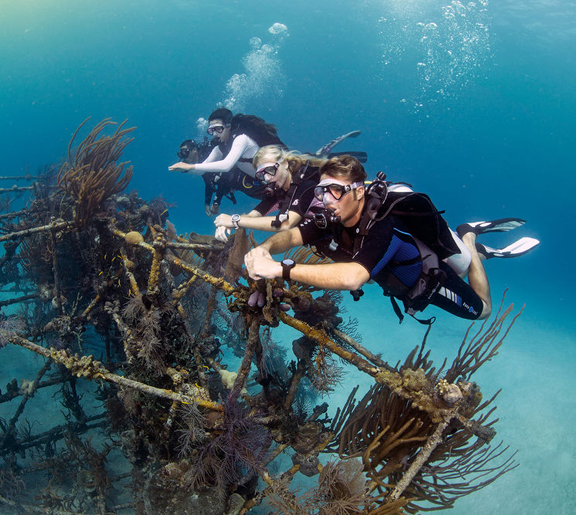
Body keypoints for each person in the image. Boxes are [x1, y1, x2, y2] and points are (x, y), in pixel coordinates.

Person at [244, 155, 539, 322]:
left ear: (359, 191)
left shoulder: (384, 225)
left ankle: (469, 237)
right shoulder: (334, 217)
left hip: (430, 278)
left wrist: (279, 269)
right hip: (400, 281)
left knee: (483, 311)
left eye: (335, 190)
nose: (326, 200)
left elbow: (353, 278)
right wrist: (265, 248)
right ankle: (475, 248)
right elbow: (293, 235)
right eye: (321, 192)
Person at [169, 108, 285, 214]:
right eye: (211, 130)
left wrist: (190, 167)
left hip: (284, 178)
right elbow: (201, 170)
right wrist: (184, 169)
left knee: (287, 214)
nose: (215, 134)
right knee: (271, 213)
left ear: (229, 126)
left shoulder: (241, 139)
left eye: (218, 129)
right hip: (272, 186)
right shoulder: (220, 148)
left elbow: (226, 166)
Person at [212, 145, 326, 242]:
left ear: (285, 164)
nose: (267, 179)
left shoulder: (307, 185)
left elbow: (286, 224)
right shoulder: (279, 191)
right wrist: (227, 223)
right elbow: (252, 216)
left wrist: (234, 220)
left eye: (270, 170)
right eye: (261, 175)